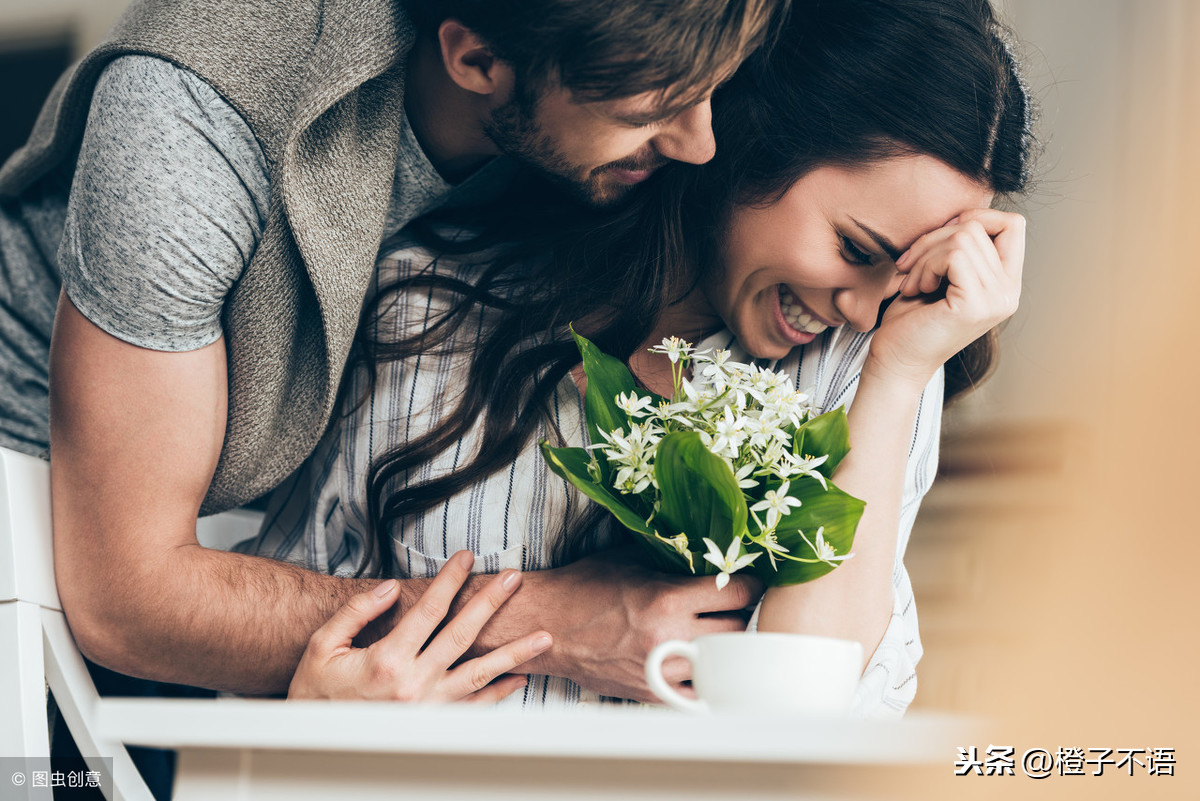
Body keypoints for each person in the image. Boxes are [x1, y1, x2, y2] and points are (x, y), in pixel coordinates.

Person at [252, 0, 1035, 713]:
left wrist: (898, 374)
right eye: (857, 247)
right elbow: (293, 637)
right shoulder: (432, 302)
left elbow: (799, 715)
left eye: (903, 278)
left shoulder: (867, 366)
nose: (863, 305)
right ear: (746, 143)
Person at [0, 0, 785, 709]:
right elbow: (127, 600)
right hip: (36, 527)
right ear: (475, 61)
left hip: (235, 520)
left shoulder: (566, 82)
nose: (699, 144)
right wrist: (546, 620)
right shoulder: (188, 125)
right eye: (652, 110)